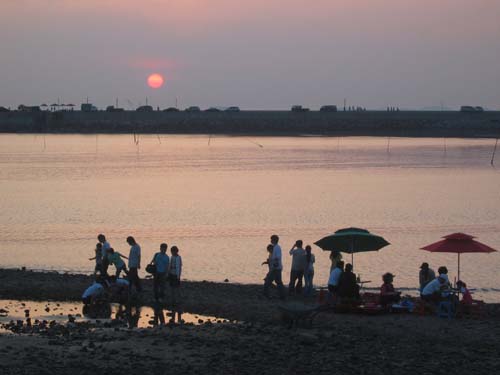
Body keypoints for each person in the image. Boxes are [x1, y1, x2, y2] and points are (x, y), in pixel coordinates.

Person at [263, 234, 286, 299]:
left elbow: (277, 257)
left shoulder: (277, 247)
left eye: (271, 239)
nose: (270, 240)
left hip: (276, 268)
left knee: (268, 281)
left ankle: (266, 294)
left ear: (274, 240)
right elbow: (274, 257)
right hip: (276, 268)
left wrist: (274, 264)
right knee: (278, 282)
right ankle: (282, 295)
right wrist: (269, 262)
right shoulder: (275, 247)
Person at [168, 245, 183, 323]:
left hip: (175, 275)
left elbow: (179, 267)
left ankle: (177, 300)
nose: (172, 253)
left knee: (176, 288)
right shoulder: (172, 257)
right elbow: (170, 266)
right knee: (172, 288)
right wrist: (168, 273)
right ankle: (173, 300)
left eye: (173, 251)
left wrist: (178, 276)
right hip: (171, 274)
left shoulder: (178, 258)